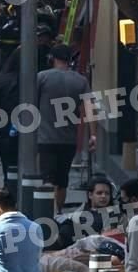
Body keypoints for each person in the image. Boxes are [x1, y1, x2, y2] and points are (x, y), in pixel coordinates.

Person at [36, 44, 96, 213]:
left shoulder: (42, 77)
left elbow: (30, 105)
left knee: (47, 177)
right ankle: (59, 211)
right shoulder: (80, 80)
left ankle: (47, 212)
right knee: (62, 179)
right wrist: (93, 135)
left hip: (45, 138)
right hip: (69, 140)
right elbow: (89, 108)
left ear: (52, 59)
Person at [0, 47, 20, 188]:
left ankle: (10, 189)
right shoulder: (34, 80)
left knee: (9, 167)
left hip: (5, 130)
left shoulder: (2, 81)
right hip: (27, 128)